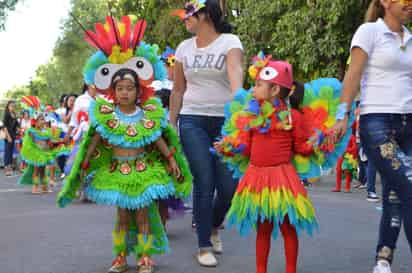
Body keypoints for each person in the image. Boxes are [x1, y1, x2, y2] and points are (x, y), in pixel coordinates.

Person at [57, 16, 192, 273]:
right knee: (121, 216)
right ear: (112, 90)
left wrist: (172, 159)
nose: (125, 92)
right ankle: (119, 257)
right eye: (120, 88)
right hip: (118, 172)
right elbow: (94, 139)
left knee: (142, 216)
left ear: (139, 91)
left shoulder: (148, 114)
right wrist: (83, 165)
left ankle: (144, 257)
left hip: (142, 172)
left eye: (130, 88)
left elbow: (157, 139)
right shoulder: (106, 115)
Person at [214, 56, 350, 273]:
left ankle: (290, 270)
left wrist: (317, 142)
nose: (254, 89)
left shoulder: (292, 118)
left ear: (275, 89)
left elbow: (301, 148)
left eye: (258, 85)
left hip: (282, 179)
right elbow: (246, 148)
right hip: (256, 178)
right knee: (263, 228)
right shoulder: (252, 116)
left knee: (288, 227)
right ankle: (260, 269)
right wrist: (230, 146)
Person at [330, 1, 412, 272]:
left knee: (396, 195)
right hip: (377, 122)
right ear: (386, 2)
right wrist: (342, 115)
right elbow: (353, 74)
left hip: (408, 123)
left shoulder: (410, 38)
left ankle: (383, 259)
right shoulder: (369, 32)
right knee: (409, 186)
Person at [170, 0, 244, 266]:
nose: (184, 18)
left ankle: (213, 225)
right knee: (204, 181)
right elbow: (178, 90)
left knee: (228, 187)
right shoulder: (183, 48)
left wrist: (242, 114)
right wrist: (171, 123)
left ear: (206, 15)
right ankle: (203, 246)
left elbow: (236, 77)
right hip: (192, 120)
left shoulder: (230, 42)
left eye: (189, 13)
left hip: (225, 121)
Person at [2, 100, 19, 176]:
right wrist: (8, 136)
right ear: (8, 106)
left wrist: (19, 129)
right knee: (7, 151)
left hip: (13, 134)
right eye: (11, 106)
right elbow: (4, 126)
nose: (13, 107)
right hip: (8, 134)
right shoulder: (6, 114)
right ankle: (6, 168)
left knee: (11, 151)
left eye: (14, 106)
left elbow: (16, 125)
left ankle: (10, 167)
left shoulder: (14, 114)